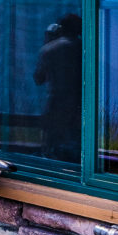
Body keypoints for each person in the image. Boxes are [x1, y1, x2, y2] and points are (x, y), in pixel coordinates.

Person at [34, 13, 80, 162]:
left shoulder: (49, 50)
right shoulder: (84, 49)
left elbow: (38, 79)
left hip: (55, 102)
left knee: (51, 143)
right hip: (79, 103)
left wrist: (47, 42)